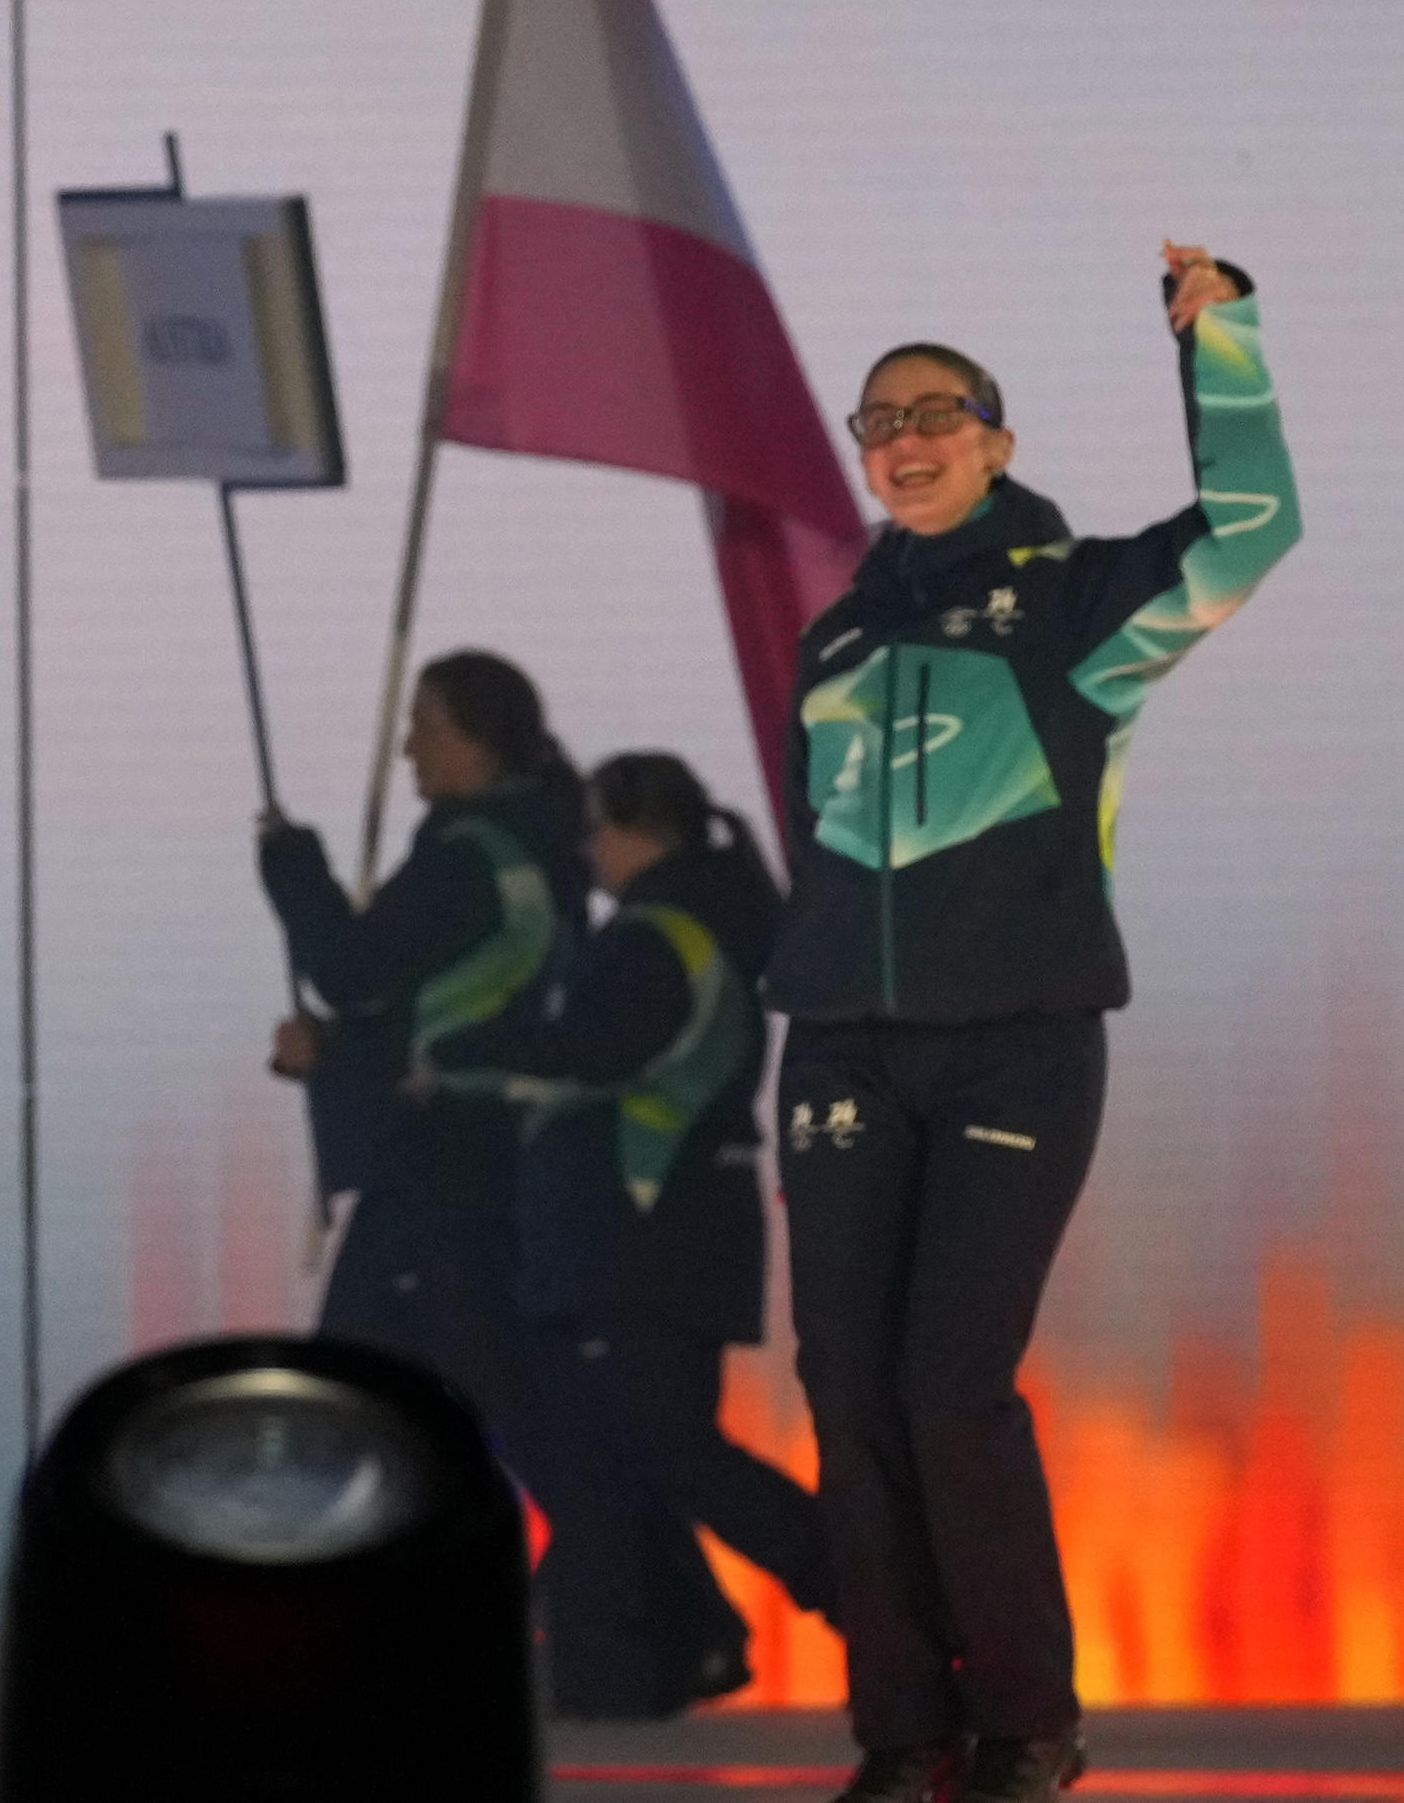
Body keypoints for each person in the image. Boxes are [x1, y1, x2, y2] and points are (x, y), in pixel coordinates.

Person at [766, 253, 1295, 1803]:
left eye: (939, 412)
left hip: (1017, 1042)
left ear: (998, 441)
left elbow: (1254, 528)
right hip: (842, 1047)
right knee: (848, 1388)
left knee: (950, 1385)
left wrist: (1220, 336)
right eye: (880, 420)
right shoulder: (835, 640)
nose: (906, 438)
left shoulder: (1076, 601)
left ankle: (1027, 1726)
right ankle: (903, 1732)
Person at [448, 750, 824, 1716]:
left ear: (636, 828)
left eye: (594, 829)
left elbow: (598, 1052)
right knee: (608, 1456)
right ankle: (612, 1667)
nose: (585, 851)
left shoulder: (660, 937)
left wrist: (467, 1049)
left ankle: (869, 1590)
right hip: (656, 1238)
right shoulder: (705, 923)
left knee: (664, 1448)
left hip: (640, 1235)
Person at [257, 650, 590, 1493]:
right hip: (506, 1155)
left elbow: (352, 968)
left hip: (441, 1162)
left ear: (477, 740)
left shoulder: (468, 854)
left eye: (424, 726)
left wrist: (293, 865)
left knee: (360, 1390)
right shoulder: (545, 853)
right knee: (478, 1389)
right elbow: (468, 1001)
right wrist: (338, 1050)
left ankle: (618, 1553)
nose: (408, 747)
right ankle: (617, 1556)